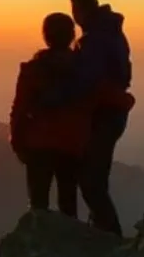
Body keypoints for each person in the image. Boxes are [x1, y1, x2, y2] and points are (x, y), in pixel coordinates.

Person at [64, 0, 134, 235]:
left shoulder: (93, 39)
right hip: (114, 111)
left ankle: (110, 237)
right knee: (97, 176)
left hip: (103, 112)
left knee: (90, 181)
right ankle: (104, 233)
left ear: (78, 7)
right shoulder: (112, 32)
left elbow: (86, 81)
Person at [9, 12, 91, 217]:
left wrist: (17, 142)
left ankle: (37, 242)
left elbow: (19, 109)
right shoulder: (83, 69)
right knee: (68, 201)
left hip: (39, 143)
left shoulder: (33, 70)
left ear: (45, 35)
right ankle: (72, 243)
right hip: (72, 142)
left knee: (38, 204)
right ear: (71, 35)